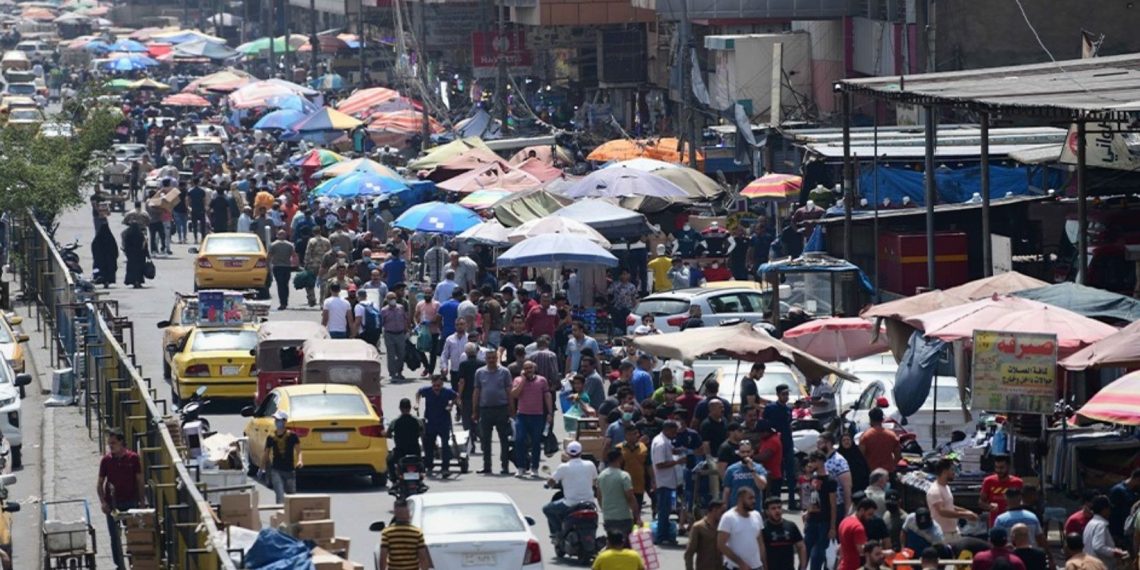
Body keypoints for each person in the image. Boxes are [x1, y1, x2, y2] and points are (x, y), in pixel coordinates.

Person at [97, 428, 145, 570]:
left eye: (113, 443)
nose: (111, 446)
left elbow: (139, 481)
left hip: (131, 501)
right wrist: (103, 503)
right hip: (113, 504)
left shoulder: (133, 458)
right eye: (109, 443)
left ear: (121, 442)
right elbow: (99, 483)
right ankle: (119, 565)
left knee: (132, 535)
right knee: (115, 537)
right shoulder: (106, 461)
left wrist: (142, 502)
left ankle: (133, 563)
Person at [543, 441, 599, 540]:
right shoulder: (590, 464)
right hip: (589, 502)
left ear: (567, 453)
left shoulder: (563, 467)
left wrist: (547, 484)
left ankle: (557, 533)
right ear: (581, 452)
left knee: (547, 509)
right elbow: (595, 481)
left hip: (570, 503)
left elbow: (551, 481)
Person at [473, 351, 513, 475]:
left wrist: (512, 409)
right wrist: (475, 410)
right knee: (485, 440)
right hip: (485, 409)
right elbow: (477, 391)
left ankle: (505, 466)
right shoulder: (479, 372)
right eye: (489, 358)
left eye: (493, 358)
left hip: (501, 409)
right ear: (485, 359)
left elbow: (509, 391)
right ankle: (486, 466)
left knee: (504, 439)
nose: (491, 360)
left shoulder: (505, 372)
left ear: (497, 358)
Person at [511, 360, 552, 478]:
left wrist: (549, 413)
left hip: (537, 416)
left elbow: (547, 395)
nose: (528, 370)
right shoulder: (518, 380)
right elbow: (514, 394)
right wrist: (523, 380)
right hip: (522, 415)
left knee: (536, 442)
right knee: (519, 440)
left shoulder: (542, 380)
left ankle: (534, 468)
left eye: (530, 368)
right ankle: (521, 467)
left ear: (534, 369)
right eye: (526, 368)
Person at [993, 488, 1050, 567]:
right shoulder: (1032, 517)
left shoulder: (1001, 519)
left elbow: (996, 542)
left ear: (1006, 499)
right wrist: (1050, 558)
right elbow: (1041, 539)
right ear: (1020, 499)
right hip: (1033, 557)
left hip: (1011, 559)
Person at [802, 451, 837, 570]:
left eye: (814, 461)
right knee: (805, 550)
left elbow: (833, 505)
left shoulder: (830, 480)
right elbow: (811, 497)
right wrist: (807, 512)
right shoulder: (813, 478)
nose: (811, 464)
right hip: (812, 520)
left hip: (824, 521)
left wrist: (832, 527)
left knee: (817, 554)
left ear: (821, 462)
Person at [415, 375, 457, 477]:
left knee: (445, 445)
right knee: (428, 445)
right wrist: (417, 404)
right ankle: (429, 466)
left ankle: (445, 468)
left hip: (443, 422)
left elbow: (456, 396)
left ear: (442, 384)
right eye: (434, 386)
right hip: (431, 423)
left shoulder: (447, 392)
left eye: (438, 385)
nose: (436, 388)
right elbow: (419, 393)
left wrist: (451, 405)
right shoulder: (427, 391)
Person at [926, 458, 977, 540]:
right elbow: (942, 511)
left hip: (953, 532)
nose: (954, 473)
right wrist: (965, 515)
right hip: (942, 534)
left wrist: (967, 511)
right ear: (945, 472)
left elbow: (949, 506)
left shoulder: (946, 487)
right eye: (952, 470)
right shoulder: (935, 490)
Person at [651, 420, 683, 545]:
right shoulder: (661, 443)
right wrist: (677, 462)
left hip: (669, 482)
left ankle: (665, 534)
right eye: (674, 432)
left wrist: (676, 452)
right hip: (664, 482)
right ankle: (661, 536)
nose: (675, 434)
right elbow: (659, 464)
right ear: (667, 430)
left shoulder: (665, 442)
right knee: (664, 511)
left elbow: (668, 453)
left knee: (668, 509)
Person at [717, 487, 764, 570]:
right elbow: (721, 544)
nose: (753, 501)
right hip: (735, 567)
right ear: (740, 499)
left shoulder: (757, 515)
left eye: (754, 498)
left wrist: (763, 563)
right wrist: (741, 563)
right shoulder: (728, 517)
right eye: (750, 498)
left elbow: (760, 542)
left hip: (757, 567)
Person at [379, 499, 433, 570]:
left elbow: (383, 556)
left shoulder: (387, 533)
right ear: (408, 513)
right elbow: (422, 557)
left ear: (395, 513)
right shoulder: (417, 533)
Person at [261, 410, 302, 503]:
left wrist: (300, 461)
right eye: (276, 420)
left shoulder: (292, 436)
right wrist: (262, 468)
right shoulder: (271, 437)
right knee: (280, 496)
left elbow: (298, 451)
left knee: (291, 497)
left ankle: (289, 516)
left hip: (289, 470)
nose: (276, 422)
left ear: (284, 421)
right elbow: (266, 453)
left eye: (278, 420)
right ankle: (281, 514)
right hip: (276, 470)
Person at [597, 448, 640, 535]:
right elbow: (630, 497)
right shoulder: (624, 476)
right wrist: (637, 517)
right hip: (624, 517)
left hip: (608, 518)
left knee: (612, 544)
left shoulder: (601, 476)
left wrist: (604, 510)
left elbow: (599, 496)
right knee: (625, 545)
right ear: (620, 459)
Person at [761, 496, 807, 570]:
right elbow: (760, 552)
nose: (777, 510)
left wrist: (802, 567)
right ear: (767, 511)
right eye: (773, 508)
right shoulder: (762, 528)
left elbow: (801, 547)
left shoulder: (791, 526)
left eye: (779, 507)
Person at [981, 455, 1024, 527]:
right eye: (996, 467)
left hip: (1014, 523)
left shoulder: (1018, 482)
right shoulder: (988, 481)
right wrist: (989, 506)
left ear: (1008, 467)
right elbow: (981, 502)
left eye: (1001, 468)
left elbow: (1023, 501)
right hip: (995, 524)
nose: (998, 470)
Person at [1084, 495, 1128, 563]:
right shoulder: (1100, 525)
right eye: (1109, 509)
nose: (1110, 512)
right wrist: (1116, 553)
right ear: (1104, 509)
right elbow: (1098, 547)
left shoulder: (1090, 523)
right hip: (1100, 565)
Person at [858, 407, 901, 477]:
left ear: (870, 419)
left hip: (872, 473)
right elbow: (898, 456)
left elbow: (860, 457)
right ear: (882, 419)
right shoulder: (892, 435)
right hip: (888, 473)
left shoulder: (866, 436)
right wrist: (892, 466)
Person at [723, 441, 768, 506]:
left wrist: (752, 470)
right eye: (743, 452)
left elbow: (762, 486)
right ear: (738, 452)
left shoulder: (759, 468)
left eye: (748, 452)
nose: (745, 455)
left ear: (752, 452)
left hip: (753, 509)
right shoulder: (731, 469)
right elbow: (727, 491)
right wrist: (724, 507)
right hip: (736, 510)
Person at [386, 398, 423, 479]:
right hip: (415, 450)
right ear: (410, 408)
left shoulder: (395, 422)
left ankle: (394, 480)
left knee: (389, 461)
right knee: (421, 463)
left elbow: (388, 434)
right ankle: (420, 478)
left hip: (400, 451)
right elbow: (422, 433)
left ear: (400, 408)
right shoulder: (418, 421)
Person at [818, 433, 853, 517]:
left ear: (829, 443)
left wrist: (847, 511)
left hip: (837, 506)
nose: (818, 446)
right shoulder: (822, 459)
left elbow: (847, 487)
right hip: (823, 505)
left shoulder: (839, 461)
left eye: (820, 443)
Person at [838, 498, 878, 570]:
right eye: (869, 514)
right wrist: (882, 553)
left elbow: (841, 549)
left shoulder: (844, 521)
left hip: (843, 566)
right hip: (853, 567)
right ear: (862, 510)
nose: (871, 518)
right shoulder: (858, 527)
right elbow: (862, 551)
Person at [686, 499, 726, 570]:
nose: (724, 515)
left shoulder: (723, 527)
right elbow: (689, 553)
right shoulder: (698, 527)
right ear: (714, 510)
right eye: (722, 512)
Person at [381, 292, 409, 381]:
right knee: (391, 355)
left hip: (400, 334)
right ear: (387, 300)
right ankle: (393, 373)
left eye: (393, 298)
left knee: (401, 354)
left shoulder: (400, 308)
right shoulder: (384, 310)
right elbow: (382, 322)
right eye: (390, 298)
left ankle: (399, 372)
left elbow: (405, 319)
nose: (392, 300)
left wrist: (407, 330)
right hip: (389, 334)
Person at [1108, 469, 1140, 547]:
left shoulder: (1136, 490)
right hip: (1119, 530)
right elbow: (1112, 513)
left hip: (1131, 529)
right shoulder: (1118, 490)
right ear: (1137, 479)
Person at [440, 318, 473, 391]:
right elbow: (445, 354)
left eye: (461, 324)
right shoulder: (450, 339)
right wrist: (444, 367)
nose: (459, 326)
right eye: (457, 325)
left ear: (466, 325)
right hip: (455, 370)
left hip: (467, 370)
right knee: (455, 392)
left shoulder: (469, 338)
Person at [268, 230, 295, 310]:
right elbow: (294, 255)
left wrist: (267, 266)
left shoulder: (273, 245)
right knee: (285, 285)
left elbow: (269, 256)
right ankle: (285, 301)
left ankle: (282, 303)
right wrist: (295, 265)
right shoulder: (290, 245)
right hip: (287, 267)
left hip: (277, 267)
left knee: (280, 285)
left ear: (277, 235)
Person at [121, 221, 148, 288]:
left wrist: (127, 253)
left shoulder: (128, 234)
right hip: (140, 256)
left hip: (131, 257)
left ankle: (133, 281)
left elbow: (126, 246)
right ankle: (138, 281)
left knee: (132, 270)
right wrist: (147, 254)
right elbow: (144, 246)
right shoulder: (140, 235)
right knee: (139, 270)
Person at [91, 223, 119, 288]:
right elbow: (114, 248)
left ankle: (103, 281)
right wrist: (115, 256)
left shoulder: (97, 238)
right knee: (109, 270)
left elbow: (94, 247)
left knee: (102, 270)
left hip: (100, 260)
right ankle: (107, 281)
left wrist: (96, 256)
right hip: (109, 259)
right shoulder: (110, 238)